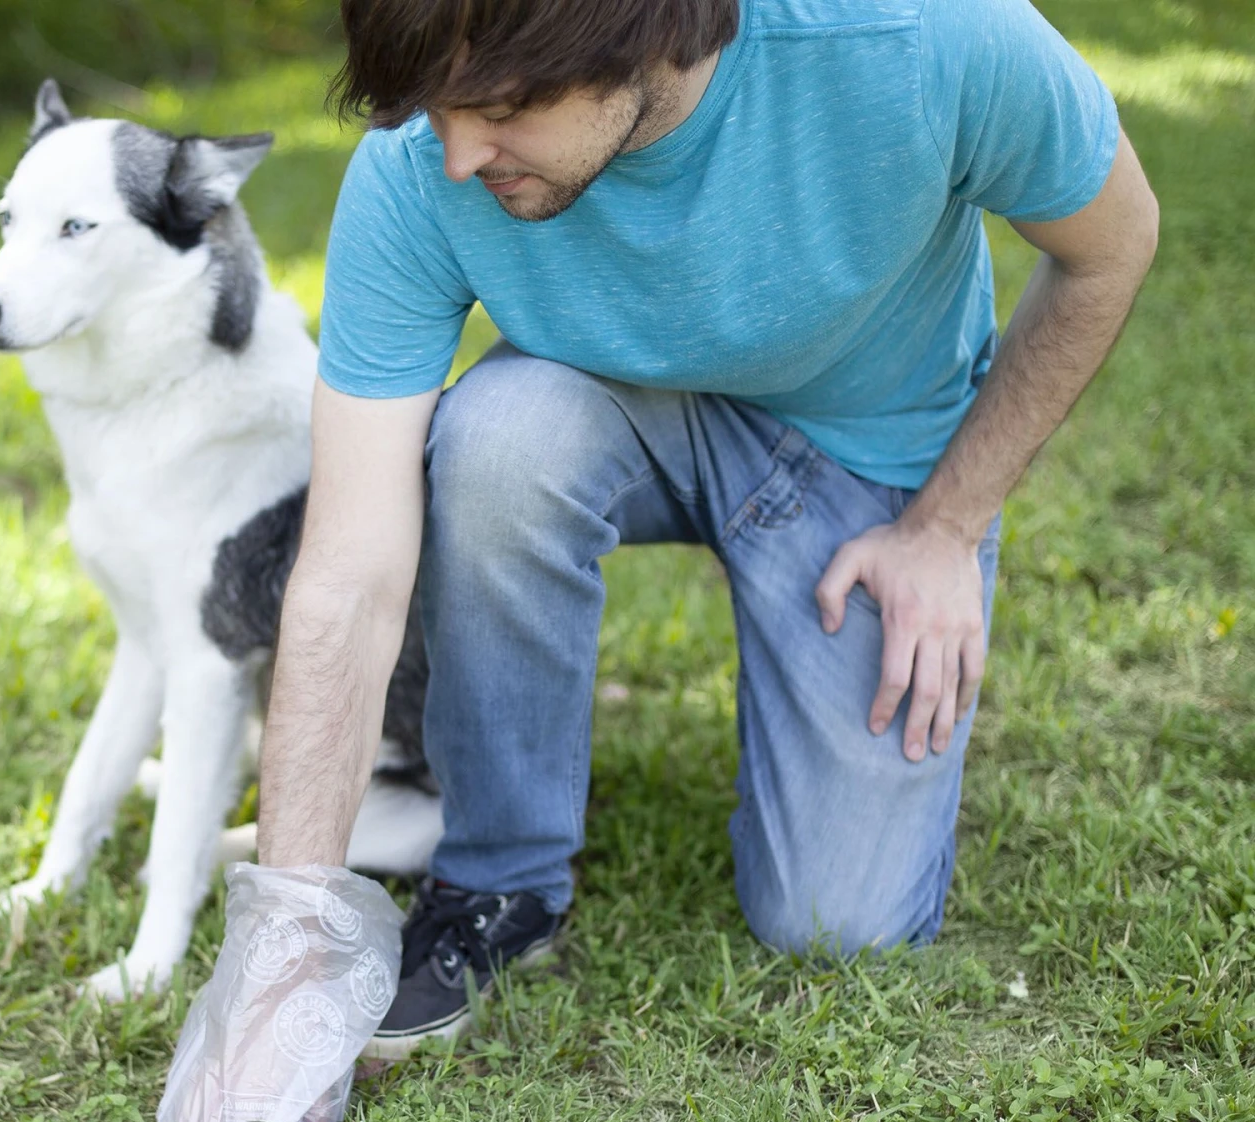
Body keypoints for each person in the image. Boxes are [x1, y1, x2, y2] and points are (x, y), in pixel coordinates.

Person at [253, 0, 1159, 1056]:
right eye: (435, 111)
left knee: (839, 924)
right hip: (605, 413)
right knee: (498, 438)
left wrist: (949, 526)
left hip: (870, 464)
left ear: (639, 33)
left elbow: (1115, 242)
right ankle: (498, 879)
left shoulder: (920, 38)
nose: (455, 157)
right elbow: (349, 568)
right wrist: (284, 949)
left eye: (498, 108)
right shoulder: (416, 167)